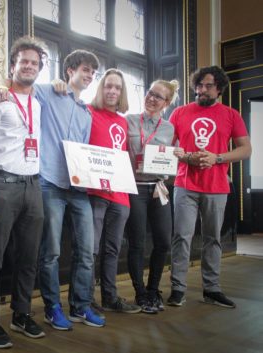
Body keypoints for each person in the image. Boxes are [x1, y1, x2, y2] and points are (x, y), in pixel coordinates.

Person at [0, 36, 46, 349]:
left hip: (33, 186)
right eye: (23, 61)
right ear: (13, 65)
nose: (28, 66)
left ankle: (21, 313)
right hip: (1, 184)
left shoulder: (37, 104)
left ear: (39, 70)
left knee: (29, 258)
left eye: (34, 63)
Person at [167, 65, 251, 309]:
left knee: (212, 238)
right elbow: (167, 147)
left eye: (208, 86)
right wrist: (184, 157)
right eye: (199, 85)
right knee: (181, 237)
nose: (202, 90)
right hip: (184, 184)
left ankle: (212, 289)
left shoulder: (231, 114)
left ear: (219, 89)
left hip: (217, 186)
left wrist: (218, 158)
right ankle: (177, 288)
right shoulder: (179, 113)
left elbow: (246, 149)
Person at [36, 50, 105, 330]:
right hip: (49, 182)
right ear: (69, 71)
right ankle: (52, 308)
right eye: (85, 70)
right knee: (51, 251)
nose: (89, 76)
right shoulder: (48, 92)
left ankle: (80, 306)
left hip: (78, 189)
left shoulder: (86, 113)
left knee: (86, 251)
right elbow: (15, 84)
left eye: (92, 72)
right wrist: (52, 82)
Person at [87, 69, 141, 314]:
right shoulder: (87, 112)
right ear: (101, 88)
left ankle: (110, 297)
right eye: (108, 86)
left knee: (112, 249)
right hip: (95, 192)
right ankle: (85, 299)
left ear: (122, 92)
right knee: (91, 249)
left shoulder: (123, 120)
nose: (112, 91)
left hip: (121, 195)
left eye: (117, 88)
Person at [126, 79, 182, 314]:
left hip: (159, 188)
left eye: (158, 96)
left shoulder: (170, 128)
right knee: (137, 243)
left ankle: (153, 289)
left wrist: (178, 154)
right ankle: (140, 293)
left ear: (166, 103)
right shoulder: (128, 120)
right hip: (135, 188)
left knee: (163, 242)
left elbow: (172, 160)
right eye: (150, 93)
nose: (151, 98)